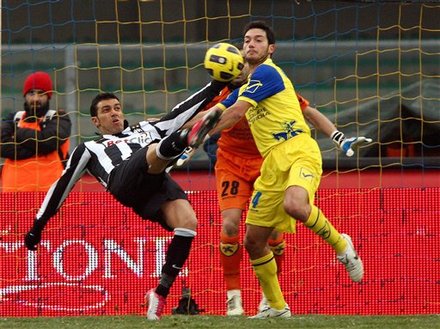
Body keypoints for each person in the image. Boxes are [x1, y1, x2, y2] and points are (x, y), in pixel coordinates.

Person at [200, 20, 372, 318]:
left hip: (297, 150)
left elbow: (233, 114)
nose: (250, 44)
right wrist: (177, 134)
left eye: (257, 40)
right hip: (269, 164)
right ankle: (277, 308)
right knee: (253, 241)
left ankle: (341, 244)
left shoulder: (268, 73)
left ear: (271, 49)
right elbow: (218, 112)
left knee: (294, 204)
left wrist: (337, 136)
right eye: (246, 40)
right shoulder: (243, 87)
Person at [23, 79, 226, 321]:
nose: (115, 113)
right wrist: (38, 225)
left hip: (156, 179)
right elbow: (61, 187)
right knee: (152, 151)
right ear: (96, 121)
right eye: (107, 110)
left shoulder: (145, 129)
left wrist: (216, 85)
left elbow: (180, 111)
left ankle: (159, 294)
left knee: (188, 222)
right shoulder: (89, 148)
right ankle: (184, 139)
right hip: (123, 180)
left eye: (117, 108)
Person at [0, 71, 71, 192]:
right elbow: (2, 147)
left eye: (41, 93)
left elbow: (48, 141)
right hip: (12, 194)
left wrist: (18, 134)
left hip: (50, 195)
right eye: (31, 93)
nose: (36, 98)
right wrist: (39, 149)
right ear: (25, 95)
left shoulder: (59, 117)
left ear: (48, 96)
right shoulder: (14, 118)